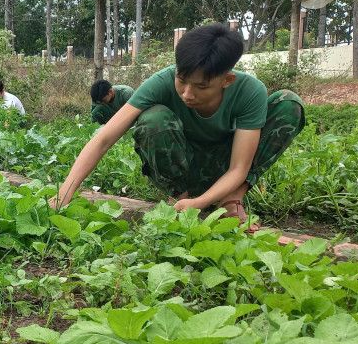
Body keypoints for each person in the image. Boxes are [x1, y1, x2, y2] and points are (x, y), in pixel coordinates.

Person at [53, 23, 304, 231]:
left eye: (201, 87)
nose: (187, 93)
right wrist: (65, 191)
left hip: (227, 168)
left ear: (227, 80)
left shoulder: (250, 91)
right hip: (183, 164)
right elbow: (103, 139)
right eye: (181, 80)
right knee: (153, 117)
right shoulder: (160, 81)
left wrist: (203, 202)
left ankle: (230, 200)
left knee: (289, 103)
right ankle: (180, 198)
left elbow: (239, 167)